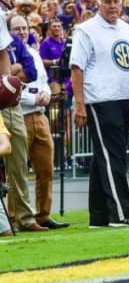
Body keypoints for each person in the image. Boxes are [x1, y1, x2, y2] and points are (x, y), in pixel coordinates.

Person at [69, 0, 129, 227]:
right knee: (114, 157)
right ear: (98, 3)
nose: (113, 5)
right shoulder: (86, 30)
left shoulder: (124, 28)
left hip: (122, 98)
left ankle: (100, 215)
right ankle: (122, 214)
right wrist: (80, 104)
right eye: (108, 1)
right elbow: (76, 67)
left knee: (103, 158)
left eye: (116, 0)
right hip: (100, 99)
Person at [10, 15, 69, 229]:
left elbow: (43, 81)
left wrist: (44, 94)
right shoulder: (7, 55)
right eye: (17, 28)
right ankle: (14, 216)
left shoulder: (33, 54)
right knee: (17, 170)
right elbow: (9, 86)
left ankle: (42, 214)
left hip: (40, 114)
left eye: (24, 28)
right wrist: (31, 98)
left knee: (46, 169)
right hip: (20, 113)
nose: (22, 32)